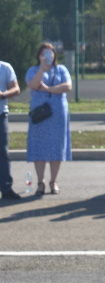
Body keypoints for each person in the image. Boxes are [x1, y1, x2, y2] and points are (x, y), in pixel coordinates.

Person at [26, 43, 72, 195]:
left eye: (50, 54)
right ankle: (41, 182)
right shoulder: (33, 70)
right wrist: (41, 69)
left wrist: (47, 89)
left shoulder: (61, 69)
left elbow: (67, 86)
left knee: (56, 147)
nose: (48, 57)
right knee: (39, 146)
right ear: (39, 56)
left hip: (58, 113)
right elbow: (33, 85)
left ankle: (54, 181)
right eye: (44, 54)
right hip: (40, 114)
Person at [0, 58, 22, 200]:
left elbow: (16, 89)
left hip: (0, 115)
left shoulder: (5, 67)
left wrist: (2, 95)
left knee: (2, 152)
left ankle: (6, 188)